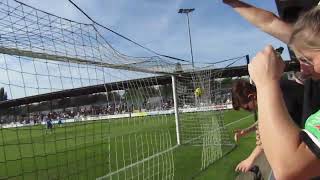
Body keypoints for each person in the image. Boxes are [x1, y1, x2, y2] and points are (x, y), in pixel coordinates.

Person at [223, 1, 320, 178]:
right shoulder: (310, 45)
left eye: (308, 59)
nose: (304, 70)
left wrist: (266, 82)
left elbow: (289, 168)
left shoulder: (279, 92)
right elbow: (269, 22)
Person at [232, 79, 304, 173]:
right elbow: (264, 121)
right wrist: (246, 130)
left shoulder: (275, 96)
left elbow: (269, 134)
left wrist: (250, 159)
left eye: (247, 108)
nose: (250, 111)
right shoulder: (270, 90)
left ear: (252, 96)